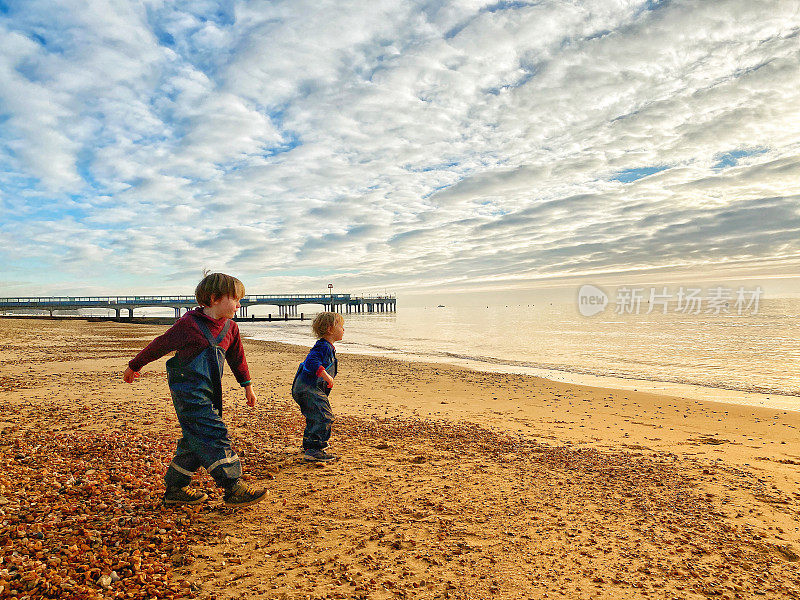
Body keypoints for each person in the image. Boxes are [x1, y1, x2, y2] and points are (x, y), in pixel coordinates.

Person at [122, 272, 267, 507]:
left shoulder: (231, 328)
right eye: (236, 299)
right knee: (212, 432)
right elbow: (161, 344)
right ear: (214, 299)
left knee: (194, 439)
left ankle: (175, 489)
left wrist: (247, 386)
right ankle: (233, 487)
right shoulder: (189, 324)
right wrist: (134, 365)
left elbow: (237, 358)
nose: (240, 305)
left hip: (211, 390)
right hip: (188, 392)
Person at [292, 311, 344, 462]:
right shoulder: (323, 346)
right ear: (329, 329)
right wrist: (325, 375)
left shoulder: (327, 346)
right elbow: (311, 361)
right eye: (340, 326)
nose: (343, 329)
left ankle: (309, 445)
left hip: (305, 388)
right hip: (307, 388)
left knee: (314, 416)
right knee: (324, 416)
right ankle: (315, 449)